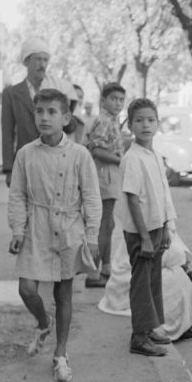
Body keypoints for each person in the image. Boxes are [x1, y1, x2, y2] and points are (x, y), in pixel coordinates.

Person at [7, 88, 101, 382]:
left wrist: (93, 235)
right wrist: (18, 229)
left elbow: (92, 198)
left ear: (65, 118)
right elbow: (17, 195)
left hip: (69, 228)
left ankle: (60, 353)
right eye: (39, 111)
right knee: (27, 289)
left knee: (63, 293)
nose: (44, 117)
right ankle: (42, 321)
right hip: (36, 227)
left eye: (51, 112)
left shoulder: (80, 155)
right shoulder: (26, 153)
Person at [116, 97, 177, 356]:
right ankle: (139, 337)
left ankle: (151, 326)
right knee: (141, 281)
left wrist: (165, 226)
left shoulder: (153, 155)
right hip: (141, 232)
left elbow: (162, 194)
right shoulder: (132, 158)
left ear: (158, 124)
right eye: (139, 120)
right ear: (130, 125)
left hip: (156, 227)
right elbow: (132, 198)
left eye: (150, 120)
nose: (145, 125)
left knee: (153, 279)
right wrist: (145, 237)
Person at [98, 226, 192, 341]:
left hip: (140, 266)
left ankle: (184, 320)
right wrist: (185, 257)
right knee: (180, 276)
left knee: (190, 268)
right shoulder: (151, 221)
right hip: (129, 277)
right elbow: (169, 254)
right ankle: (159, 326)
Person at [2, 37, 78, 187]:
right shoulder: (11, 94)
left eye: (45, 60)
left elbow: (71, 126)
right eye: (38, 59)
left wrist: (66, 107)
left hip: (56, 161)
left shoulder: (57, 89)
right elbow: (7, 133)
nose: (42, 65)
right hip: (25, 162)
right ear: (27, 62)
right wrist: (9, 169)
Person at [85, 82, 126, 288]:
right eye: (114, 99)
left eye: (121, 99)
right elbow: (96, 150)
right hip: (104, 174)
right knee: (103, 224)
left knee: (108, 224)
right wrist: (121, 160)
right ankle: (93, 272)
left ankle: (106, 267)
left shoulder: (112, 120)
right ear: (104, 101)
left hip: (110, 174)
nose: (118, 103)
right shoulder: (103, 120)